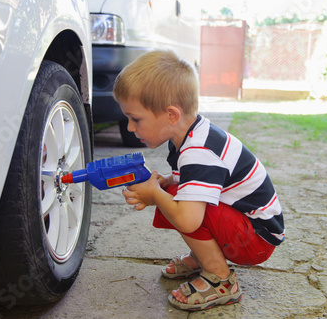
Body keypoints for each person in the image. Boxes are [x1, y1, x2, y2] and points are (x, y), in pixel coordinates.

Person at [113, 50, 285, 311]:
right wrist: (165, 182)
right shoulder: (191, 135)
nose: (129, 128)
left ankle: (221, 279)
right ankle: (205, 257)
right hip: (249, 227)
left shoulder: (199, 152)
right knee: (176, 190)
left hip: (255, 240)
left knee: (183, 204)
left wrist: (155, 195)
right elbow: (189, 180)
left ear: (171, 115)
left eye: (135, 119)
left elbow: (188, 219)